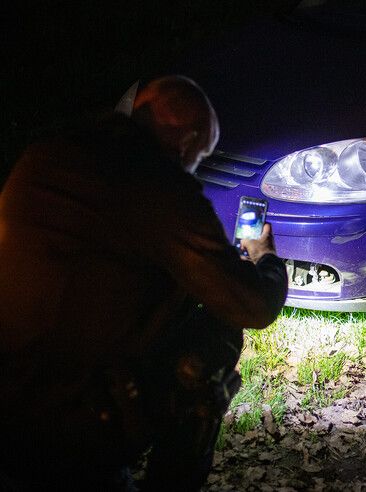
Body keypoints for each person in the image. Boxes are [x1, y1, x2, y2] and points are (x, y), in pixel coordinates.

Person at [0, 76, 287, 490]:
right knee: (216, 335)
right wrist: (265, 258)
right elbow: (252, 305)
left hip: (10, 387)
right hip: (68, 423)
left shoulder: (49, 152)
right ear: (188, 142)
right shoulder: (161, 187)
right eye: (201, 155)